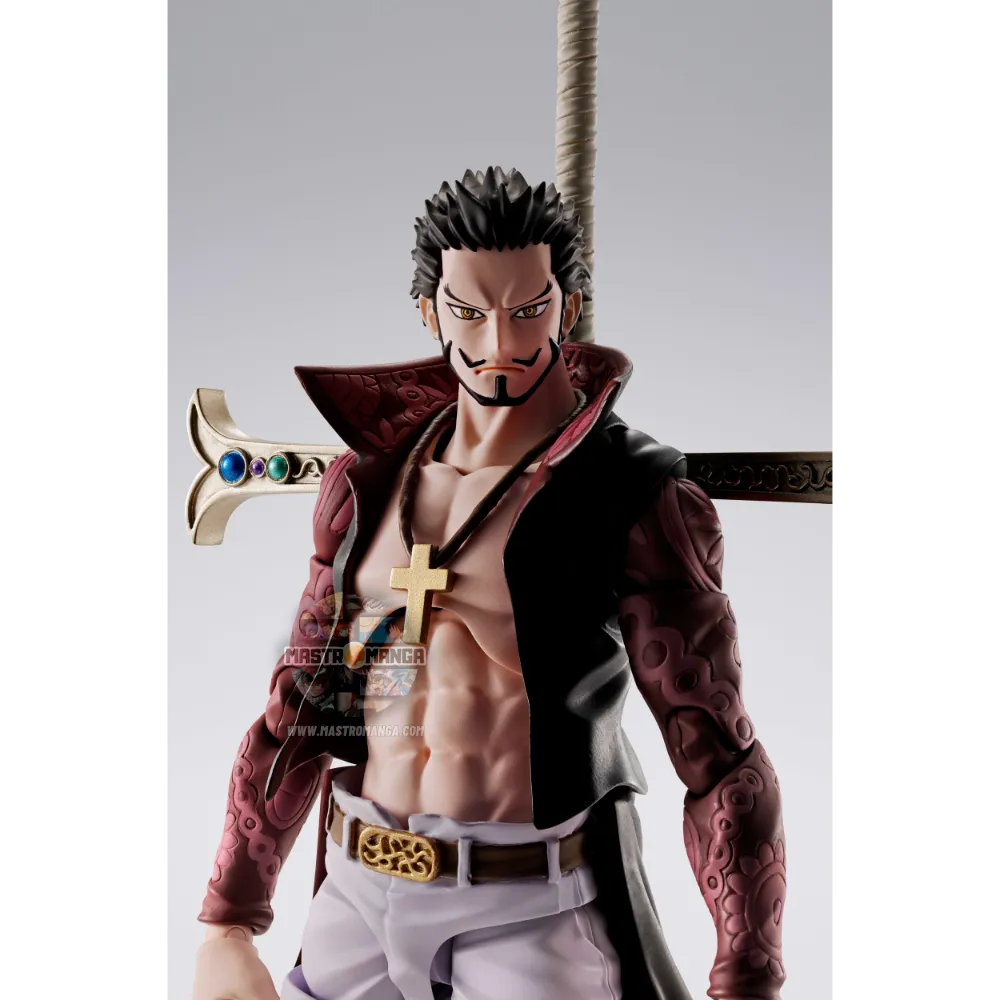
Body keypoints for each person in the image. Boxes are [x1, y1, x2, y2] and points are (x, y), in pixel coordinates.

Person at [192, 167, 787, 1000]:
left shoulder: (634, 498)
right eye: (470, 312)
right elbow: (302, 708)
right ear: (429, 311)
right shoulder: (367, 486)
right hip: (355, 900)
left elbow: (720, 759)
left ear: (568, 310)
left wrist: (748, 978)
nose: (500, 342)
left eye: (528, 309)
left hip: (530, 916)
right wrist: (228, 918)